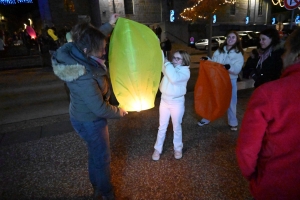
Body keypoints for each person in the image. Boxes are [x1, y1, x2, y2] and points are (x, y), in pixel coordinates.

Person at [51, 14, 127, 200]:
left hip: (81, 115)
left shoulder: (75, 50)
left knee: (95, 155)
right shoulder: (82, 75)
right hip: (91, 121)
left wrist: (109, 25)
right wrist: (120, 111)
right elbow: (99, 108)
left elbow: (92, 38)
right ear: (87, 50)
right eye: (101, 50)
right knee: (102, 158)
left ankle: (97, 188)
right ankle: (107, 194)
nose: (103, 52)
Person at [236, 27, 300, 199]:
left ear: (297, 55)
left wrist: (255, 176)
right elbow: (248, 70)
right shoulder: (257, 54)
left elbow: (247, 150)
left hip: (276, 186)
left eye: (286, 51)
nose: (283, 56)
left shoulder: (270, 94)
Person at [197, 31, 244, 131]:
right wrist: (208, 59)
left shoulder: (238, 54)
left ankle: (233, 122)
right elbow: (215, 63)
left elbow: (237, 69)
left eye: (233, 37)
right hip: (217, 80)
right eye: (229, 37)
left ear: (237, 40)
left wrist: (229, 67)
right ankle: (207, 117)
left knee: (231, 101)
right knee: (213, 98)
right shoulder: (220, 50)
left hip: (230, 81)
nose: (230, 39)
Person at [152, 50, 190, 161]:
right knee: (162, 127)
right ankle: (157, 149)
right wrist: (158, 48)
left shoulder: (185, 72)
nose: (175, 60)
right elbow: (161, 64)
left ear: (184, 61)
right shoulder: (170, 67)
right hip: (164, 100)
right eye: (174, 57)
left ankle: (178, 148)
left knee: (176, 126)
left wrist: (167, 63)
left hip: (177, 102)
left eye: (178, 59)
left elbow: (173, 78)